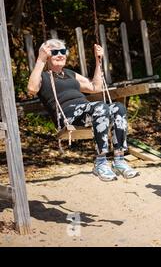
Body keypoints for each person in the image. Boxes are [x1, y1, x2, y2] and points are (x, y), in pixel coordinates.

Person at [27, 39, 139, 182]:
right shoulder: (42, 76)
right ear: (47, 55)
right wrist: (40, 60)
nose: (60, 55)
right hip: (67, 115)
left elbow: (95, 87)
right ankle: (100, 162)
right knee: (100, 107)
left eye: (63, 51)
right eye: (55, 52)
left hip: (87, 111)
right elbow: (32, 89)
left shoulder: (69, 74)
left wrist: (98, 62)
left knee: (118, 107)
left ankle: (119, 160)